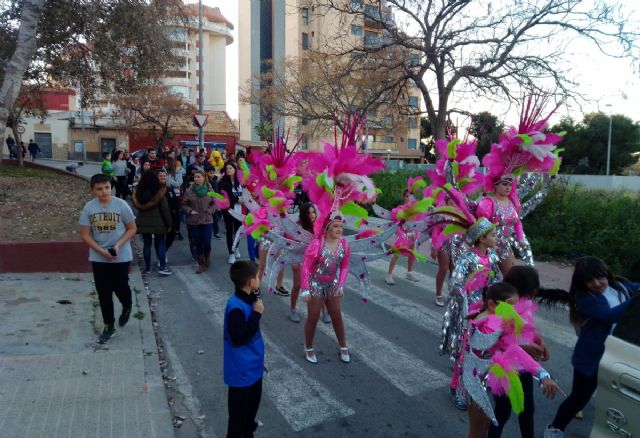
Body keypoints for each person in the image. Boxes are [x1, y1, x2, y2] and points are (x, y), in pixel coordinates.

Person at [544, 256, 637, 438]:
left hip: (615, 355)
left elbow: (635, 287)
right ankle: (554, 428)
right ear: (582, 283)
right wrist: (635, 301)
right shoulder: (585, 298)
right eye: (589, 280)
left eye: (599, 277)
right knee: (578, 399)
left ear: (606, 274)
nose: (596, 283)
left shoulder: (619, 287)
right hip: (590, 359)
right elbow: (608, 316)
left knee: (615, 395)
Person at [465, 282, 561, 438]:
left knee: (481, 429)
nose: (515, 312)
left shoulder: (488, 316)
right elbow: (515, 351)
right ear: (491, 304)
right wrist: (543, 375)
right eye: (510, 306)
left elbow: (517, 341)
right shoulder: (494, 324)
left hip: (482, 380)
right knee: (478, 431)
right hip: (476, 385)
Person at [441, 217, 500, 411]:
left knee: (486, 349)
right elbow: (455, 284)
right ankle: (456, 387)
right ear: (482, 239)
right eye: (492, 235)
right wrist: (467, 301)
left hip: (488, 310)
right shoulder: (467, 258)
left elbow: (494, 280)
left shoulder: (492, 257)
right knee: (465, 352)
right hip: (469, 312)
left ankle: (480, 382)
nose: (496, 237)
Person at [488, 266, 551, 438]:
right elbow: (495, 345)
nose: (533, 295)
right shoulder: (501, 312)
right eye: (530, 292)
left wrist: (539, 340)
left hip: (523, 367)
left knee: (527, 409)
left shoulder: (526, 304)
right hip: (505, 369)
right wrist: (524, 349)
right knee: (502, 412)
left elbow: (528, 327)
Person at [79, 174, 137, 344]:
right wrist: (101, 251)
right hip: (99, 256)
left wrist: (118, 245)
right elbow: (85, 235)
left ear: (110, 187)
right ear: (93, 191)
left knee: (120, 287)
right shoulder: (89, 208)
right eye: (99, 189)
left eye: (106, 187)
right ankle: (109, 326)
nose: (104, 191)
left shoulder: (121, 205)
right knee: (104, 292)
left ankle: (127, 305)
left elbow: (132, 228)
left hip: (121, 254)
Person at [301, 216, 351, 364]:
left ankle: (343, 345)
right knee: (314, 316)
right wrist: (305, 288)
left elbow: (344, 266)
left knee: (336, 314)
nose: (339, 229)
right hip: (315, 283)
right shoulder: (317, 244)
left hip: (331, 283)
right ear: (327, 228)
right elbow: (305, 266)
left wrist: (341, 284)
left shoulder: (345, 245)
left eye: (341, 226)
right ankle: (308, 347)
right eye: (335, 226)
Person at [224, 260, 264, 438]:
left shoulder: (248, 296)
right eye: (257, 276)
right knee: (237, 422)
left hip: (254, 369)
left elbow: (254, 295)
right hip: (241, 374)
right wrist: (256, 314)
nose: (259, 278)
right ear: (250, 281)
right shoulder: (235, 308)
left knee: (249, 417)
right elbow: (239, 337)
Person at [476, 175, 532, 275]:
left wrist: (521, 238)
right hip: (489, 248)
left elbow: (517, 222)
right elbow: (481, 227)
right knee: (488, 281)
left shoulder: (513, 202)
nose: (508, 187)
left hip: (505, 246)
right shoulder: (488, 203)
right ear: (495, 185)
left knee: (512, 277)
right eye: (504, 184)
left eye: (510, 185)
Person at [132, 170, 172, 276]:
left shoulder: (139, 192)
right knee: (161, 244)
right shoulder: (159, 191)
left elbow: (136, 206)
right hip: (159, 221)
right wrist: (169, 224)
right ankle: (162, 267)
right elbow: (165, 209)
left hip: (143, 222)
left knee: (147, 244)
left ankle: (148, 268)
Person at [182, 169, 215, 273]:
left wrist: (210, 210)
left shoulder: (210, 189)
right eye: (195, 177)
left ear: (204, 178)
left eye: (198, 177)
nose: (196, 179)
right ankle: (200, 263)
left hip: (207, 219)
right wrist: (190, 211)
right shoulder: (189, 190)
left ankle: (207, 256)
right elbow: (184, 204)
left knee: (207, 242)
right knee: (198, 242)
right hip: (194, 220)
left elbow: (216, 202)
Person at [385, 189, 420, 285]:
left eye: (410, 197)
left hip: (412, 233)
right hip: (402, 233)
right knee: (396, 253)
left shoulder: (414, 211)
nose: (409, 199)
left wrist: (414, 233)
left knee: (413, 252)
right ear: (404, 197)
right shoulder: (399, 209)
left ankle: (409, 273)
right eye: (407, 196)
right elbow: (397, 224)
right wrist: (402, 235)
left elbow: (416, 223)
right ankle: (389, 274)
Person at [218, 161, 244, 264]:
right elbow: (224, 196)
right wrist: (237, 199)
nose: (228, 170)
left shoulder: (240, 181)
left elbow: (245, 192)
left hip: (240, 211)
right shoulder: (222, 182)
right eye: (227, 168)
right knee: (229, 231)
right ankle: (231, 253)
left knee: (238, 231)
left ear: (235, 170)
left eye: (230, 168)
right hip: (228, 210)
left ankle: (236, 247)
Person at [156, 169, 181, 262]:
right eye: (160, 176)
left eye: (164, 176)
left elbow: (175, 201)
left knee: (171, 236)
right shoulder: (155, 189)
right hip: (159, 218)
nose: (163, 177)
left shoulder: (169, 188)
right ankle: (160, 257)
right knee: (160, 239)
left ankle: (164, 251)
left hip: (171, 217)